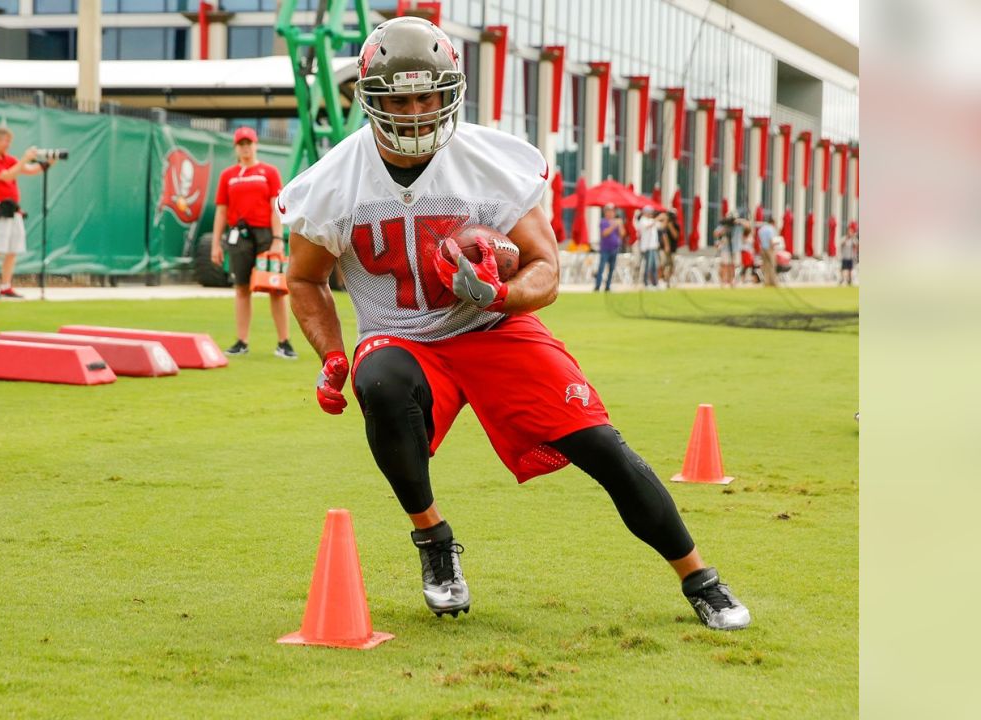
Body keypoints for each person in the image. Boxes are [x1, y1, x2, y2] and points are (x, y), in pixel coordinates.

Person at [279, 16, 750, 631]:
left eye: (427, 94)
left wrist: (500, 295)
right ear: (372, 98)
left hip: (491, 327)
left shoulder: (487, 161)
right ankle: (435, 541)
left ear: (450, 91)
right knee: (381, 381)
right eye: (400, 97)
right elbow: (304, 278)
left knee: (604, 447)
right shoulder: (334, 181)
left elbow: (546, 269)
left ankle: (698, 576)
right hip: (404, 337)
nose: (417, 110)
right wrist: (333, 354)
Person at [210, 127, 296, 359]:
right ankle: (241, 341)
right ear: (236, 147)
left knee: (276, 289)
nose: (246, 147)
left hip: (266, 236)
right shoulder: (228, 176)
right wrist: (215, 244)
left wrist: (278, 239)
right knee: (241, 288)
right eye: (241, 144)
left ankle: (284, 342)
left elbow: (275, 207)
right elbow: (221, 211)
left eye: (249, 143)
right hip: (239, 235)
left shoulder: (268, 172)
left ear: (256, 145)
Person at [0, 127, 55, 299]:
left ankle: (6, 286)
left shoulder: (9, 159)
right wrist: (24, 159)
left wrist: (47, 163)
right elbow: (6, 176)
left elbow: (29, 170)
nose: (8, 145)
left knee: (13, 250)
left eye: (9, 142)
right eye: (5, 141)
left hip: (14, 210)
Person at [593, 204, 624, 291]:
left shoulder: (616, 222)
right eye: (608, 211)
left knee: (611, 269)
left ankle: (608, 286)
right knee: (601, 268)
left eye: (612, 211)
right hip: (605, 249)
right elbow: (604, 233)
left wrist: (620, 225)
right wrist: (614, 225)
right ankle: (597, 286)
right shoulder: (603, 222)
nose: (610, 213)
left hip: (614, 248)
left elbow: (622, 234)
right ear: (605, 212)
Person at [635, 206, 660, 289]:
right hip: (646, 247)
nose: (650, 213)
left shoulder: (651, 220)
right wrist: (657, 219)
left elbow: (660, 226)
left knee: (654, 266)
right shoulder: (642, 220)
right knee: (647, 266)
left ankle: (655, 283)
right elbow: (647, 226)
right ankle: (646, 283)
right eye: (649, 212)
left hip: (653, 247)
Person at [657, 210, 679, 288]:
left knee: (671, 266)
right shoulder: (662, 225)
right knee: (662, 265)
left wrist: (670, 226)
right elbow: (662, 233)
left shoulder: (675, 225)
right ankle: (660, 280)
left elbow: (675, 236)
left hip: (672, 250)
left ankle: (667, 281)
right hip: (663, 249)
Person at [757, 213, 779, 287]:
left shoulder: (762, 229)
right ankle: (773, 282)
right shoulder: (771, 229)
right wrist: (774, 246)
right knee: (772, 265)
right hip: (769, 248)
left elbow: (759, 239)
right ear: (772, 222)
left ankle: (766, 281)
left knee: (766, 266)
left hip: (762, 248)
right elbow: (771, 240)